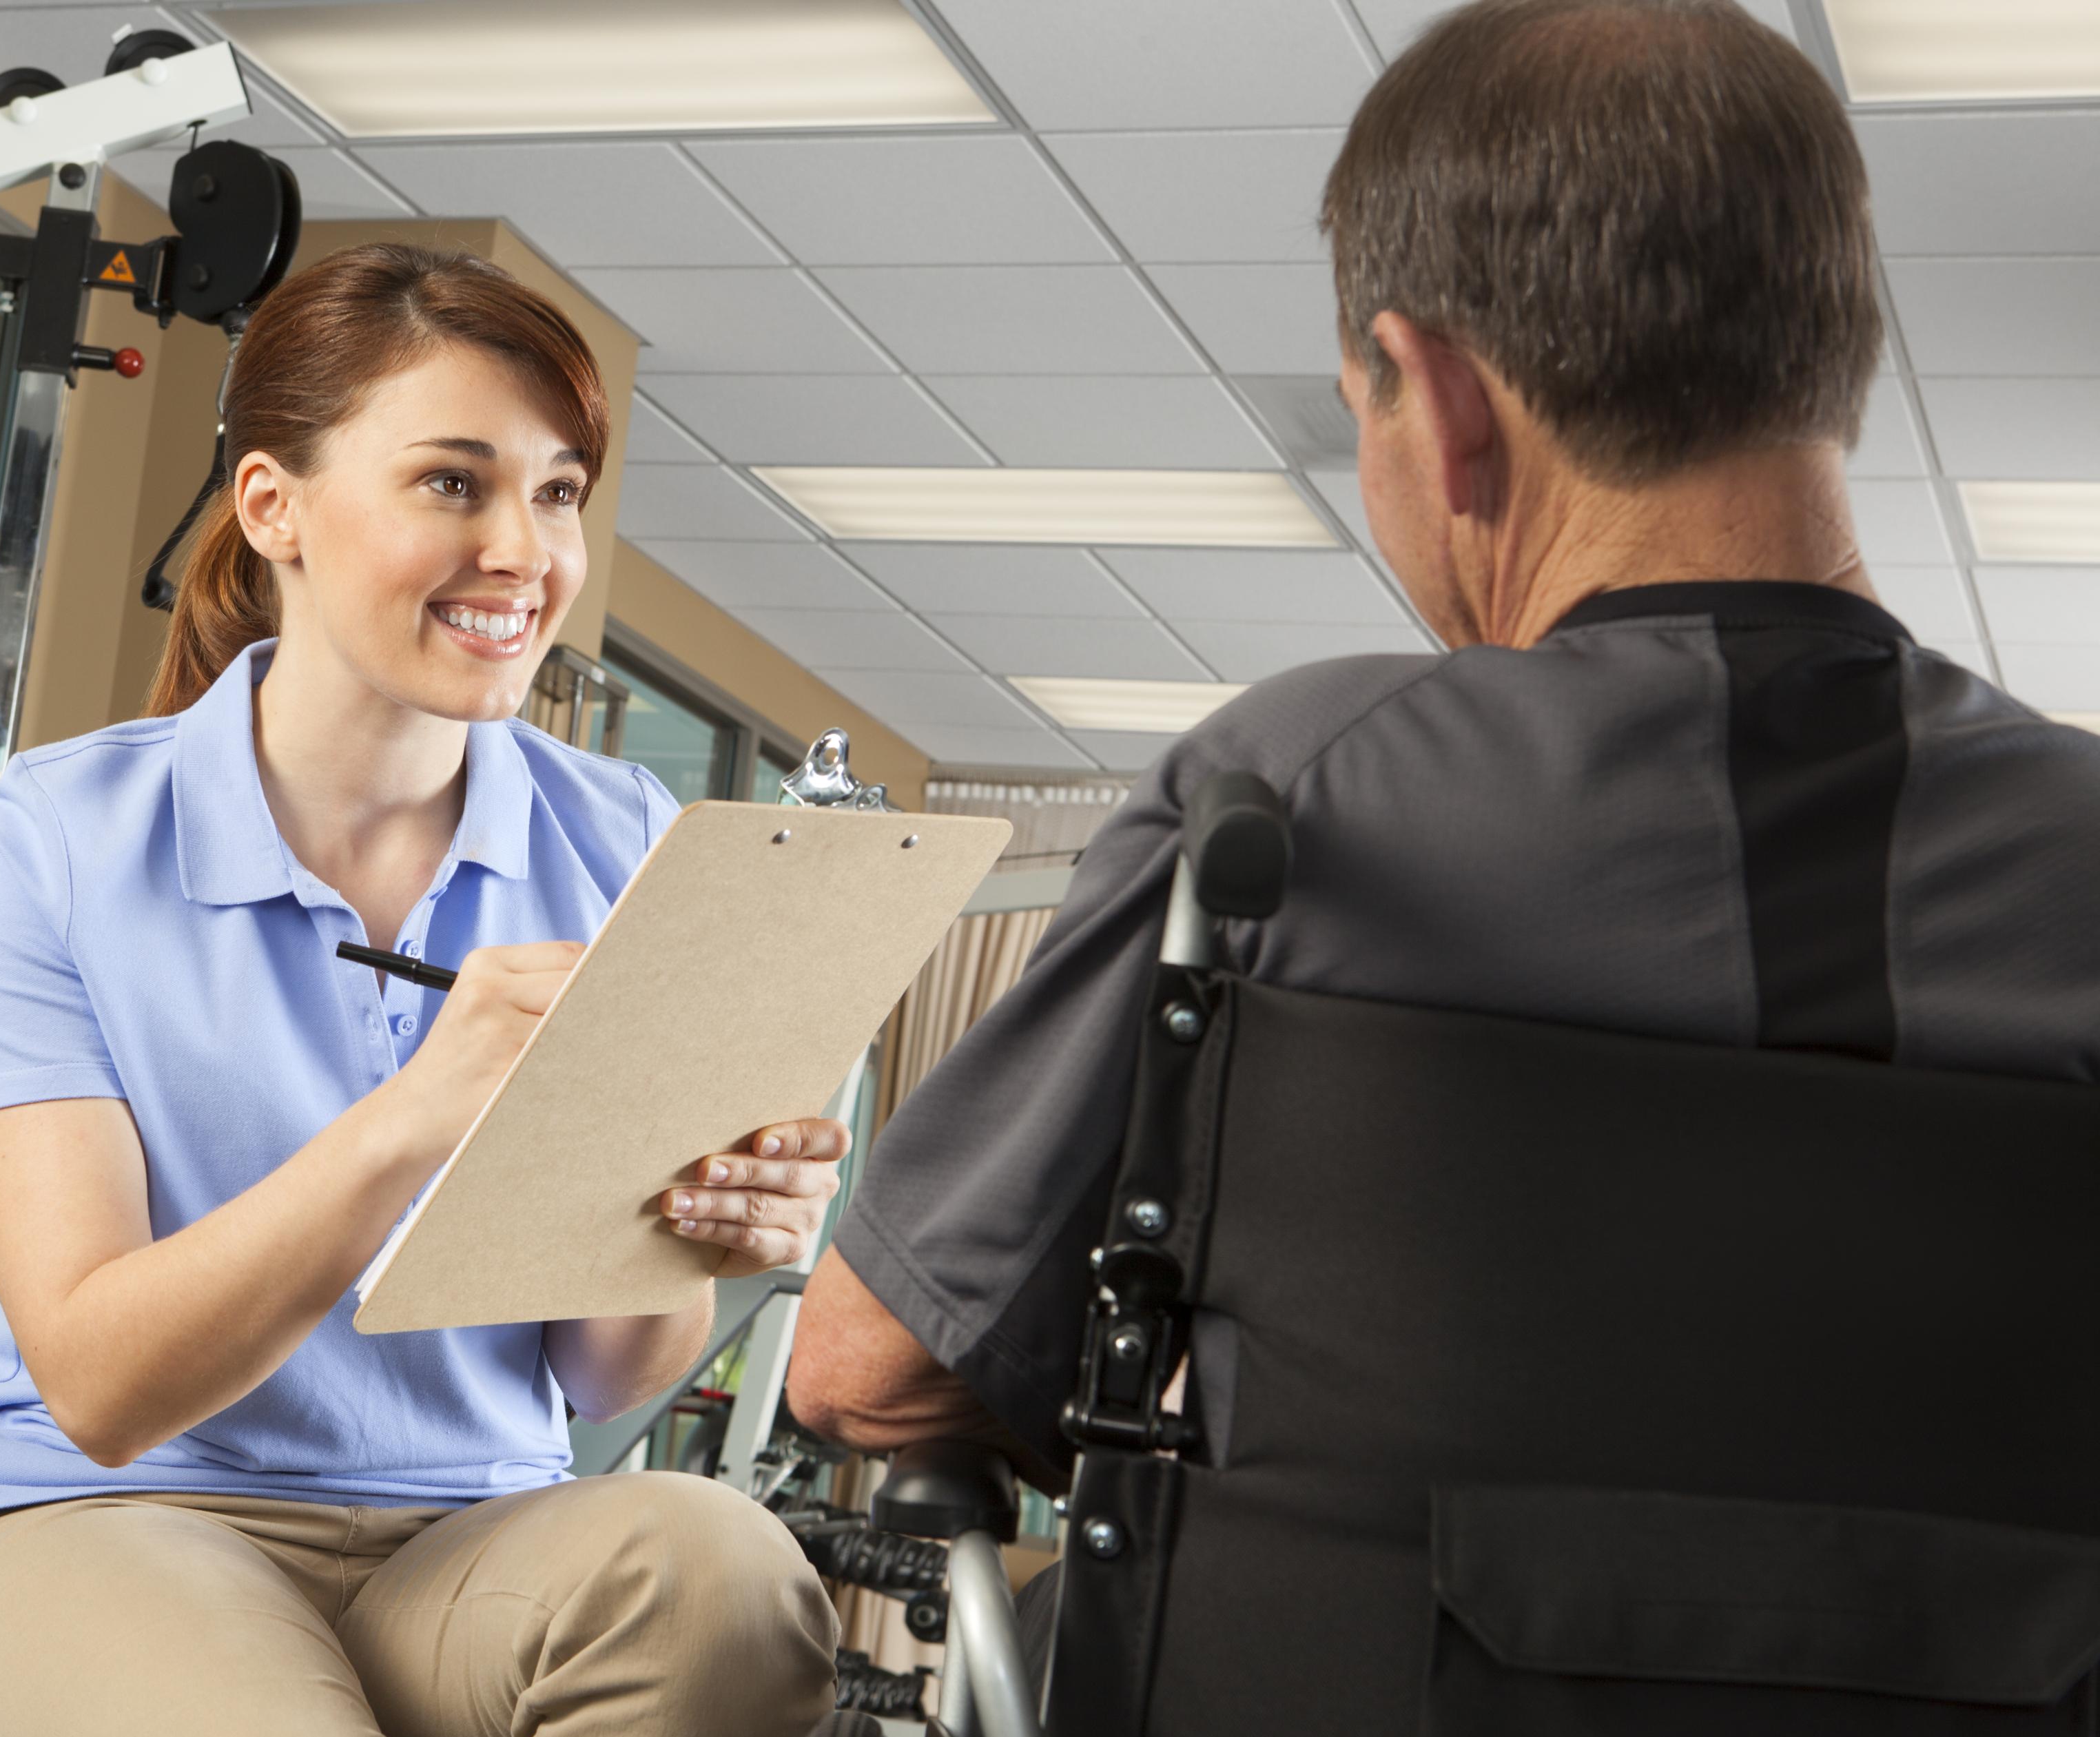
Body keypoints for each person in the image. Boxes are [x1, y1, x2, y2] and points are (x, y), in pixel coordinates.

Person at [788, 0, 2100, 1501]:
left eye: (1366, 412)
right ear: (1831, 355)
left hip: (1317, 1733)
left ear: (1444, 399)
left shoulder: (1290, 793)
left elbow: (870, 1365)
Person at [0, 243, 841, 1737]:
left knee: (725, 1570)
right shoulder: (57, 833)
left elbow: (608, 1367)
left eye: (556, 491)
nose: (521, 550)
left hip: (461, 1546)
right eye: (453, 481)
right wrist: (425, 1105)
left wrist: (698, 1223)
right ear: (273, 508)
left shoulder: (622, 837)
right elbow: (106, 1384)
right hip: (96, 1518)